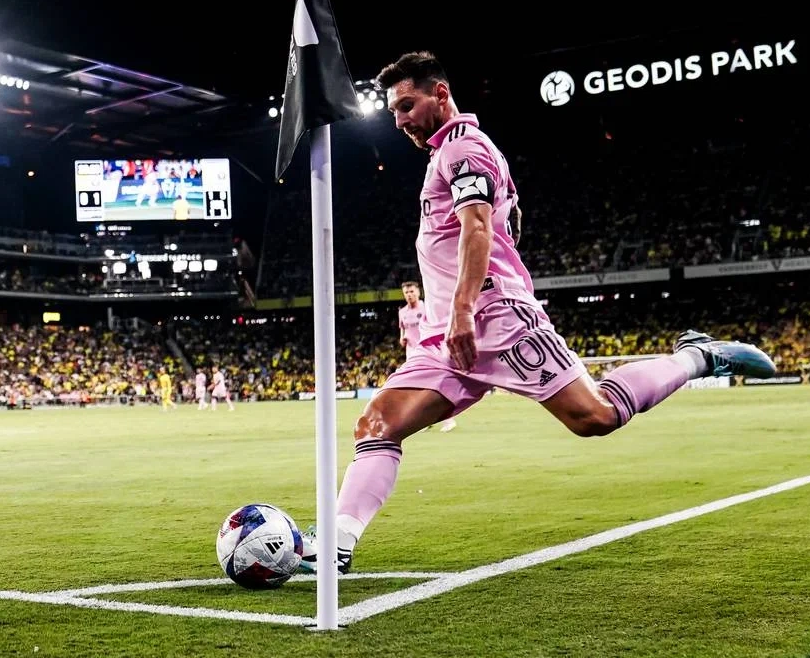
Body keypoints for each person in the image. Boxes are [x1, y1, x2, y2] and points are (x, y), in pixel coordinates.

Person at [302, 52, 772, 576]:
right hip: (443, 337)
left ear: (440, 94)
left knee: (594, 417)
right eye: (393, 112)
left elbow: (477, 228)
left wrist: (462, 311)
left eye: (406, 106)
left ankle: (698, 357)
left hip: (496, 319)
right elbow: (496, 216)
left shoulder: (464, 147)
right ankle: (337, 543)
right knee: (377, 424)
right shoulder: (452, 155)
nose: (399, 121)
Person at [399, 281, 458, 433]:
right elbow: (403, 329)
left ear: (418, 292)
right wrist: (403, 338)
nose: (409, 295)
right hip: (412, 353)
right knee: (417, 389)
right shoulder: (402, 311)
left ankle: (449, 420)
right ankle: (425, 422)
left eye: (412, 291)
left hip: (428, 351)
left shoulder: (427, 308)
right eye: (406, 292)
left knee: (436, 385)